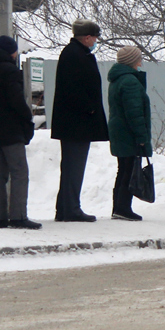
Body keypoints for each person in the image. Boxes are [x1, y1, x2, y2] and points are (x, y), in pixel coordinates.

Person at [0, 35, 40, 230]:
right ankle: (19, 216)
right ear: (11, 51)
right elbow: (16, 100)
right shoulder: (10, 71)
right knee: (19, 171)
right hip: (12, 129)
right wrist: (27, 118)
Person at [52, 19, 108, 222]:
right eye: (94, 38)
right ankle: (71, 209)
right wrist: (90, 108)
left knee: (70, 167)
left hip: (73, 122)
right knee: (74, 167)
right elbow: (75, 89)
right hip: (77, 123)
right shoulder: (76, 55)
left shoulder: (73, 53)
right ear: (87, 37)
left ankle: (66, 208)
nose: (95, 41)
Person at [107, 45, 151, 221]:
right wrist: (142, 137)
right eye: (138, 58)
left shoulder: (117, 79)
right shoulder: (130, 82)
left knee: (123, 170)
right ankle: (123, 208)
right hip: (128, 134)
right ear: (132, 61)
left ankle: (119, 207)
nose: (141, 61)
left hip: (120, 132)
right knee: (129, 171)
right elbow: (135, 113)